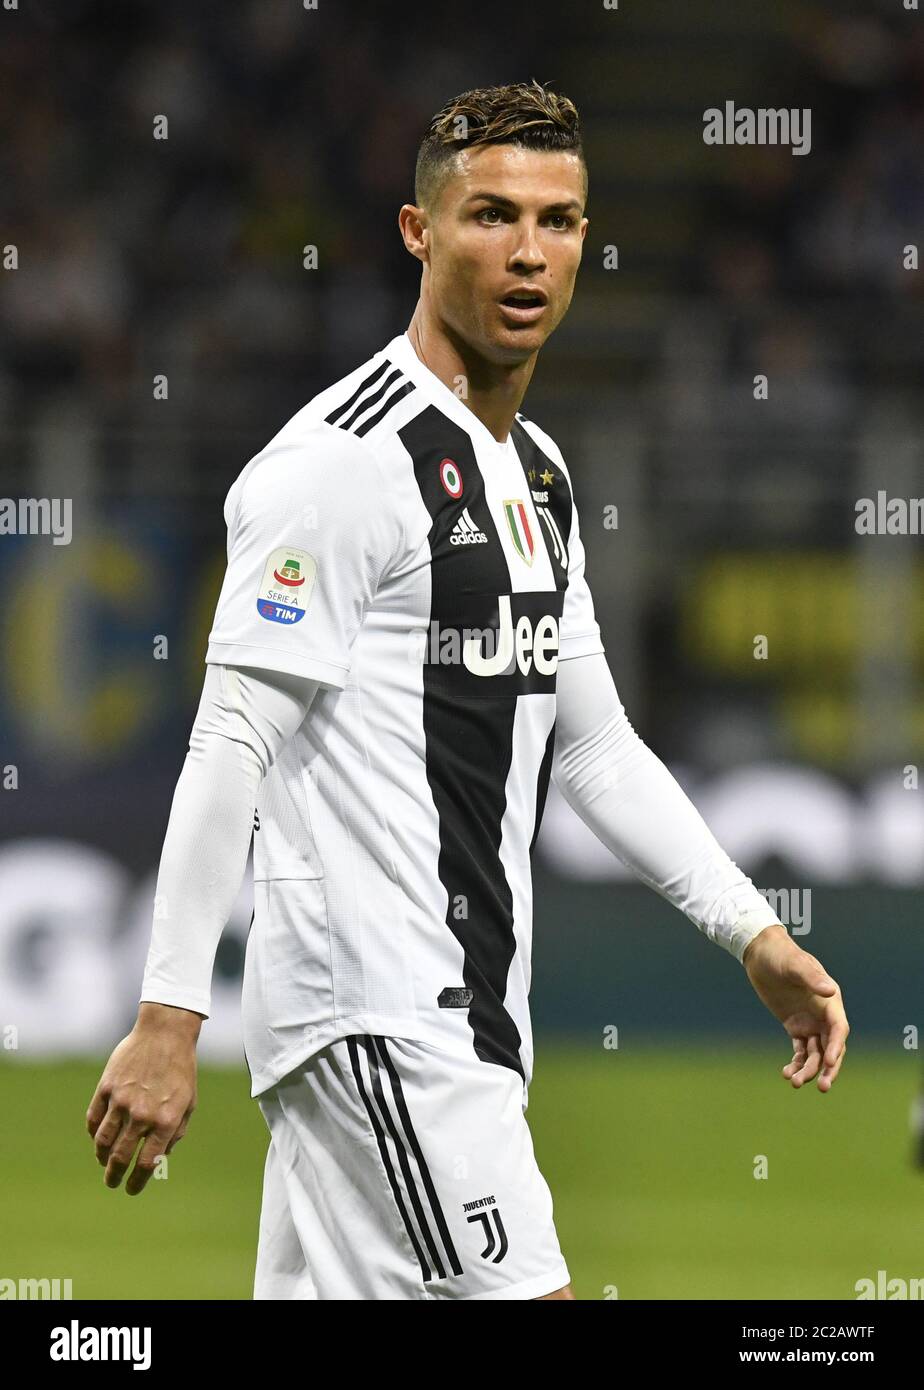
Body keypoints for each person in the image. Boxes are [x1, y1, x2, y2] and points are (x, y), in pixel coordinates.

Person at [86, 79, 849, 1301]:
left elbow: (593, 749)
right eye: (491, 215)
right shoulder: (337, 466)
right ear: (418, 231)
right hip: (382, 1017)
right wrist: (170, 1015)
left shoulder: (536, 477)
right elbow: (231, 732)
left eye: (558, 220)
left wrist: (751, 931)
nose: (528, 252)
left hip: (464, 1023)